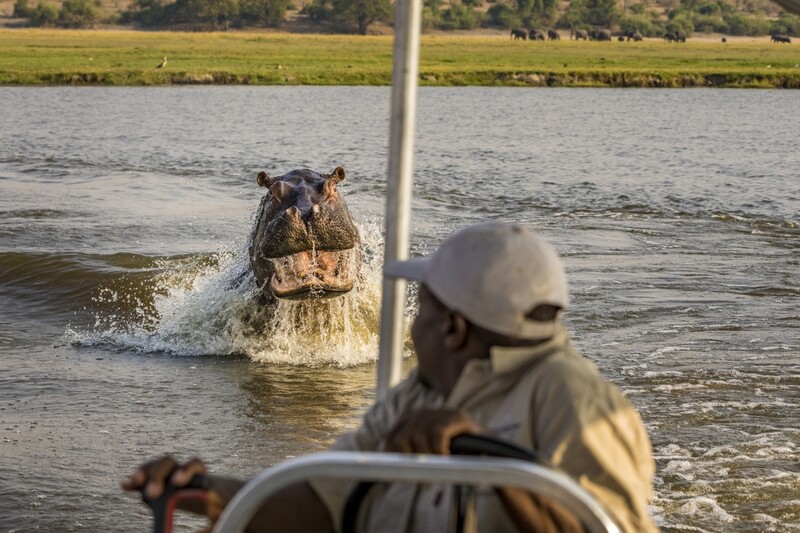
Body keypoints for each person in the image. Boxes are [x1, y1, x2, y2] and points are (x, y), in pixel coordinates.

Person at [123, 222, 657, 532]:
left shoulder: (574, 400)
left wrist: (487, 458)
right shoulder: (419, 396)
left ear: (452, 328)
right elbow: (320, 503)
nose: (409, 323)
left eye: (419, 309)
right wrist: (208, 493)